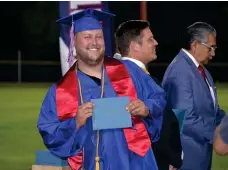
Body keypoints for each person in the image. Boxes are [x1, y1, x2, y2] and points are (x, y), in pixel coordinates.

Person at [37, 8, 166, 170]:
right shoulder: (60, 92)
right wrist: (74, 123)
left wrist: (147, 108)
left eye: (99, 36)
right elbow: (50, 133)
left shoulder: (129, 71)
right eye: (87, 37)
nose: (94, 42)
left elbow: (159, 98)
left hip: (137, 163)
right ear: (74, 42)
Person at [115, 20, 182, 170]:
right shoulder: (124, 77)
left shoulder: (138, 74)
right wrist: (168, 156)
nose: (156, 43)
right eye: (150, 39)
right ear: (135, 46)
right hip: (144, 161)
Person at [162, 22, 226, 170]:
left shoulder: (199, 69)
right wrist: (216, 135)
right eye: (211, 47)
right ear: (196, 44)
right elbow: (185, 119)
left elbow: (213, 111)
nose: (213, 53)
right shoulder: (180, 71)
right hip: (187, 156)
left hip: (199, 153)